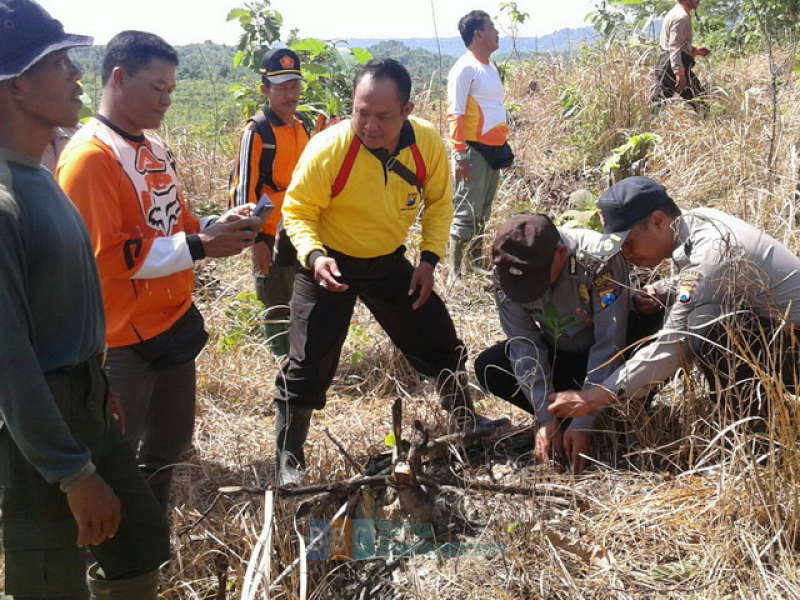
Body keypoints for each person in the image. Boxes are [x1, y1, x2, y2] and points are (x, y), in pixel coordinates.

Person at [0, 1, 169, 597]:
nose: (77, 74)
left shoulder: (37, 174)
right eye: (58, 62)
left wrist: (96, 387)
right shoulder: (4, 200)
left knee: (138, 541)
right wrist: (71, 473)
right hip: (39, 425)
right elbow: (9, 362)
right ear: (15, 85)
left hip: (85, 399)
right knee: (51, 581)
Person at [274, 59, 509, 487]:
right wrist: (314, 256)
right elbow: (298, 210)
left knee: (437, 335)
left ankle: (465, 418)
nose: (369, 126)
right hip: (329, 261)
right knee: (308, 361)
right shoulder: (329, 148)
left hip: (386, 259)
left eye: (383, 116)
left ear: (407, 110)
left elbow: (439, 202)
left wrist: (428, 260)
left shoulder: (425, 142)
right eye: (360, 113)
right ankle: (289, 458)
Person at [57, 30, 262, 510]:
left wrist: (216, 226)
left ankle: (152, 533)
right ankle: (112, 550)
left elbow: (176, 223)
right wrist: (200, 245)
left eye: (171, 89)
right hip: (120, 341)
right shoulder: (91, 158)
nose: (166, 99)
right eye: (157, 87)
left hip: (171, 326)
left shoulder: (153, 147)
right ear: (119, 78)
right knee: (114, 460)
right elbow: (106, 256)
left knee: (167, 450)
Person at [548, 177, 800, 424]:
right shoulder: (698, 222)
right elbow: (706, 279)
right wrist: (662, 290)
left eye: (629, 243)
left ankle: (759, 428)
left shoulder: (714, 248)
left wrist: (594, 397)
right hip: (783, 336)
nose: (626, 254)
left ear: (657, 221)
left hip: (794, 344)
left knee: (705, 322)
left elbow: (673, 345)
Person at [475, 214, 659, 474]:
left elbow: (610, 343)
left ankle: (620, 418)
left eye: (536, 281)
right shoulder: (506, 271)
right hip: (562, 355)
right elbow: (524, 345)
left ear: (560, 254)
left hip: (613, 362)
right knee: (491, 365)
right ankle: (561, 424)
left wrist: (585, 417)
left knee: (655, 328)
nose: (527, 291)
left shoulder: (598, 259)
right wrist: (544, 415)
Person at [229, 48, 310, 357]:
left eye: (294, 85)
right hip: (270, 234)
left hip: (300, 230)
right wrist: (254, 241)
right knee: (276, 304)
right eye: (282, 87)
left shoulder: (301, 125)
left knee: (303, 299)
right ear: (265, 89)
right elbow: (243, 191)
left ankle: (301, 358)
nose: (291, 94)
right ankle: (281, 365)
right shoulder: (257, 130)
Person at [447, 10, 513, 276]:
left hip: (493, 149)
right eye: (492, 27)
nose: (497, 32)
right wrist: (460, 154)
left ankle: (474, 264)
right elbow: (456, 113)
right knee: (466, 211)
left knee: (482, 210)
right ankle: (455, 272)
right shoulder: (465, 68)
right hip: (473, 150)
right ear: (478, 34)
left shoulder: (489, 67)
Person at [651, 0, 711, 112]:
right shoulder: (681, 17)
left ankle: (648, 121)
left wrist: (696, 51)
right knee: (702, 103)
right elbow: (674, 46)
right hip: (672, 66)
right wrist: (679, 73)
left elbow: (677, 45)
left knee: (658, 105)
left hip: (666, 64)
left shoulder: (676, 12)